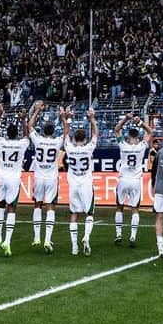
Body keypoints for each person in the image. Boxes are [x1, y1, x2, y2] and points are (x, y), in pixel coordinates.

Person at [0, 103, 30, 256]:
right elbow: (27, 136)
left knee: (0, 206)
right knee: (12, 209)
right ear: (16, 134)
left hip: (0, 177)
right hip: (13, 178)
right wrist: (23, 120)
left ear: (7, 133)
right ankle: (7, 241)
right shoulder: (21, 144)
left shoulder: (1, 142)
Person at [28, 100, 64, 252]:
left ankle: (36, 237)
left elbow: (29, 126)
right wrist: (63, 117)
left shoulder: (38, 139)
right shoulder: (56, 141)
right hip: (51, 178)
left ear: (43, 131)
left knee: (37, 205)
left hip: (39, 177)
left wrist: (36, 111)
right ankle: (47, 240)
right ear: (53, 131)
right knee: (51, 207)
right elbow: (67, 133)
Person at [62, 106, 99, 256]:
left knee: (74, 214)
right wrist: (92, 119)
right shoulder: (89, 148)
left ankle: (74, 247)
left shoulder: (69, 148)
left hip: (73, 184)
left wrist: (68, 118)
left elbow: (65, 133)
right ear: (84, 139)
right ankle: (86, 237)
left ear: (74, 138)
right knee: (89, 213)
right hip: (85, 183)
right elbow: (96, 134)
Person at [112, 112, 151, 247]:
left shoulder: (123, 144)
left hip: (123, 180)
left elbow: (116, 130)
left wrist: (126, 119)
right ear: (138, 136)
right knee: (135, 209)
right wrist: (140, 122)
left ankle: (118, 234)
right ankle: (133, 236)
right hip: (135, 181)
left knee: (119, 207)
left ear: (128, 136)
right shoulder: (142, 146)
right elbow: (150, 131)